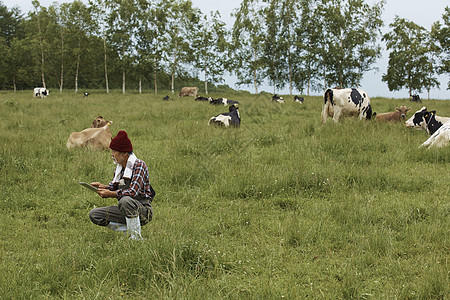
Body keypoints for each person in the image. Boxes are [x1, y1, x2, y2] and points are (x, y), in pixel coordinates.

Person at [89, 130, 155, 240]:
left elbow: (133, 192)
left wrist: (110, 194)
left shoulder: (139, 165)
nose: (112, 154)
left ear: (124, 153)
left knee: (125, 200)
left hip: (143, 210)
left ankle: (136, 238)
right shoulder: (120, 168)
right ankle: (128, 230)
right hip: (125, 209)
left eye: (114, 151)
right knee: (94, 214)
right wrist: (103, 187)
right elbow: (114, 187)